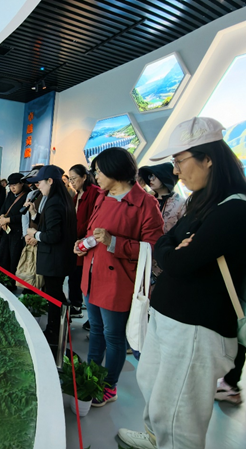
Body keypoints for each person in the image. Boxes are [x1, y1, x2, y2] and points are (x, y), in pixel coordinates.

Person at [118, 117, 246, 449]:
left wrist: (173, 250)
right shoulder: (201, 201)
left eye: (179, 161)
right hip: (169, 318)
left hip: (197, 328)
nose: (176, 171)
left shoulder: (234, 209)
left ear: (208, 158)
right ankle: (153, 438)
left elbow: (179, 261)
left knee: (179, 413)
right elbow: (165, 242)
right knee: (154, 387)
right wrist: (172, 248)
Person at [74, 147, 164, 408]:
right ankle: (91, 379)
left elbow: (153, 248)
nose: (96, 176)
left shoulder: (145, 204)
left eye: (99, 171)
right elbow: (93, 233)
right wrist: (82, 244)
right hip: (92, 276)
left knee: (114, 338)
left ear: (115, 170)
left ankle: (109, 386)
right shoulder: (102, 197)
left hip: (117, 282)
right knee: (96, 332)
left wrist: (114, 243)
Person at [25, 165, 77, 347]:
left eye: (40, 182)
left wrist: (35, 234)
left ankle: (55, 331)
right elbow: (50, 224)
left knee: (54, 295)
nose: (38, 186)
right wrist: (35, 215)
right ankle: (58, 328)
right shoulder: (62, 199)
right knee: (55, 293)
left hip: (54, 258)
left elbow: (53, 235)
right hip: (60, 258)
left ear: (50, 181)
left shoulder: (54, 202)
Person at [138, 162, 186, 283]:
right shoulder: (146, 200)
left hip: (168, 255)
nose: (150, 179)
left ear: (165, 177)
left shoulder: (181, 202)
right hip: (145, 254)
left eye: (154, 176)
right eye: (149, 176)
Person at [67, 164, 99, 320]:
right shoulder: (77, 195)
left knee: (82, 276)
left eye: (74, 178)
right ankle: (75, 304)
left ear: (84, 177)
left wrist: (77, 232)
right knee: (74, 275)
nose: (72, 182)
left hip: (86, 241)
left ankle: (78, 306)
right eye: (70, 179)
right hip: (75, 239)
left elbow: (93, 219)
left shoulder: (94, 192)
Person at [0, 173, 29, 275]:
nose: (12, 188)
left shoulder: (28, 195)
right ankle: (1, 277)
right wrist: (2, 217)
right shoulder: (10, 194)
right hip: (6, 230)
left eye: (15, 185)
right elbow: (4, 207)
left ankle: (11, 280)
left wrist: (8, 220)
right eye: (10, 185)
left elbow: (24, 215)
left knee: (14, 257)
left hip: (18, 231)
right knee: (2, 254)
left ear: (22, 183)